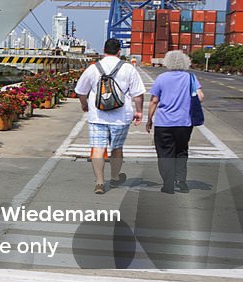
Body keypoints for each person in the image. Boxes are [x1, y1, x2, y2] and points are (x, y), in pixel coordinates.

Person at [74, 39, 145, 194]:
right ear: (119, 51)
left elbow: (80, 91)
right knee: (117, 148)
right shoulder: (128, 68)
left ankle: (99, 183)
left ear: (104, 50)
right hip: (121, 117)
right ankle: (114, 178)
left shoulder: (93, 68)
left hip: (97, 116)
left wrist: (84, 105)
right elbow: (137, 94)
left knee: (98, 148)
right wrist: (139, 111)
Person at [146, 49, 203, 194]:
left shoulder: (161, 78)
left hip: (164, 122)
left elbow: (154, 101)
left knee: (165, 153)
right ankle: (181, 181)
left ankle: (168, 183)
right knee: (181, 151)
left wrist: (149, 119)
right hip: (185, 122)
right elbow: (200, 96)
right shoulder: (190, 77)